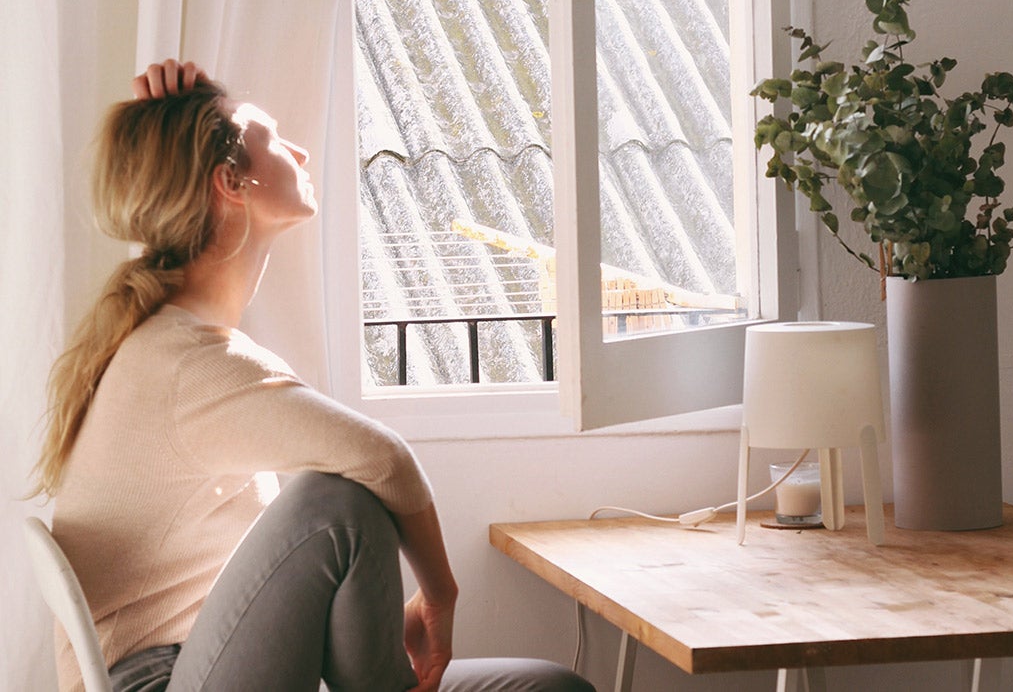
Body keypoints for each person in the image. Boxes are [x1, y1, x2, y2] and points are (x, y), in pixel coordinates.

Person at [31, 60, 594, 692]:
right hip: (160, 680)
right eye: (273, 139)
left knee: (551, 686)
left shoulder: (178, 343)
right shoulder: (184, 363)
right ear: (231, 183)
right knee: (337, 500)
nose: (299, 149)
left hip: (212, 662)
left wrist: (188, 114)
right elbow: (383, 459)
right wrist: (440, 594)